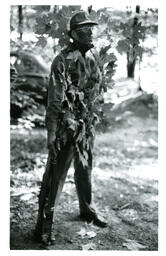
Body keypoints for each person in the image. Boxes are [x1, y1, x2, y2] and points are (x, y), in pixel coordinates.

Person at [35, 10, 107, 244]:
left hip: (85, 125)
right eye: (85, 28)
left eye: (91, 27)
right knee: (55, 176)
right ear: (74, 34)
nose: (90, 31)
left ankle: (87, 209)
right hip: (66, 126)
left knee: (85, 169)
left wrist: (91, 116)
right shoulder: (62, 59)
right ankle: (44, 226)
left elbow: (96, 88)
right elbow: (54, 100)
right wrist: (52, 132)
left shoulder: (94, 55)